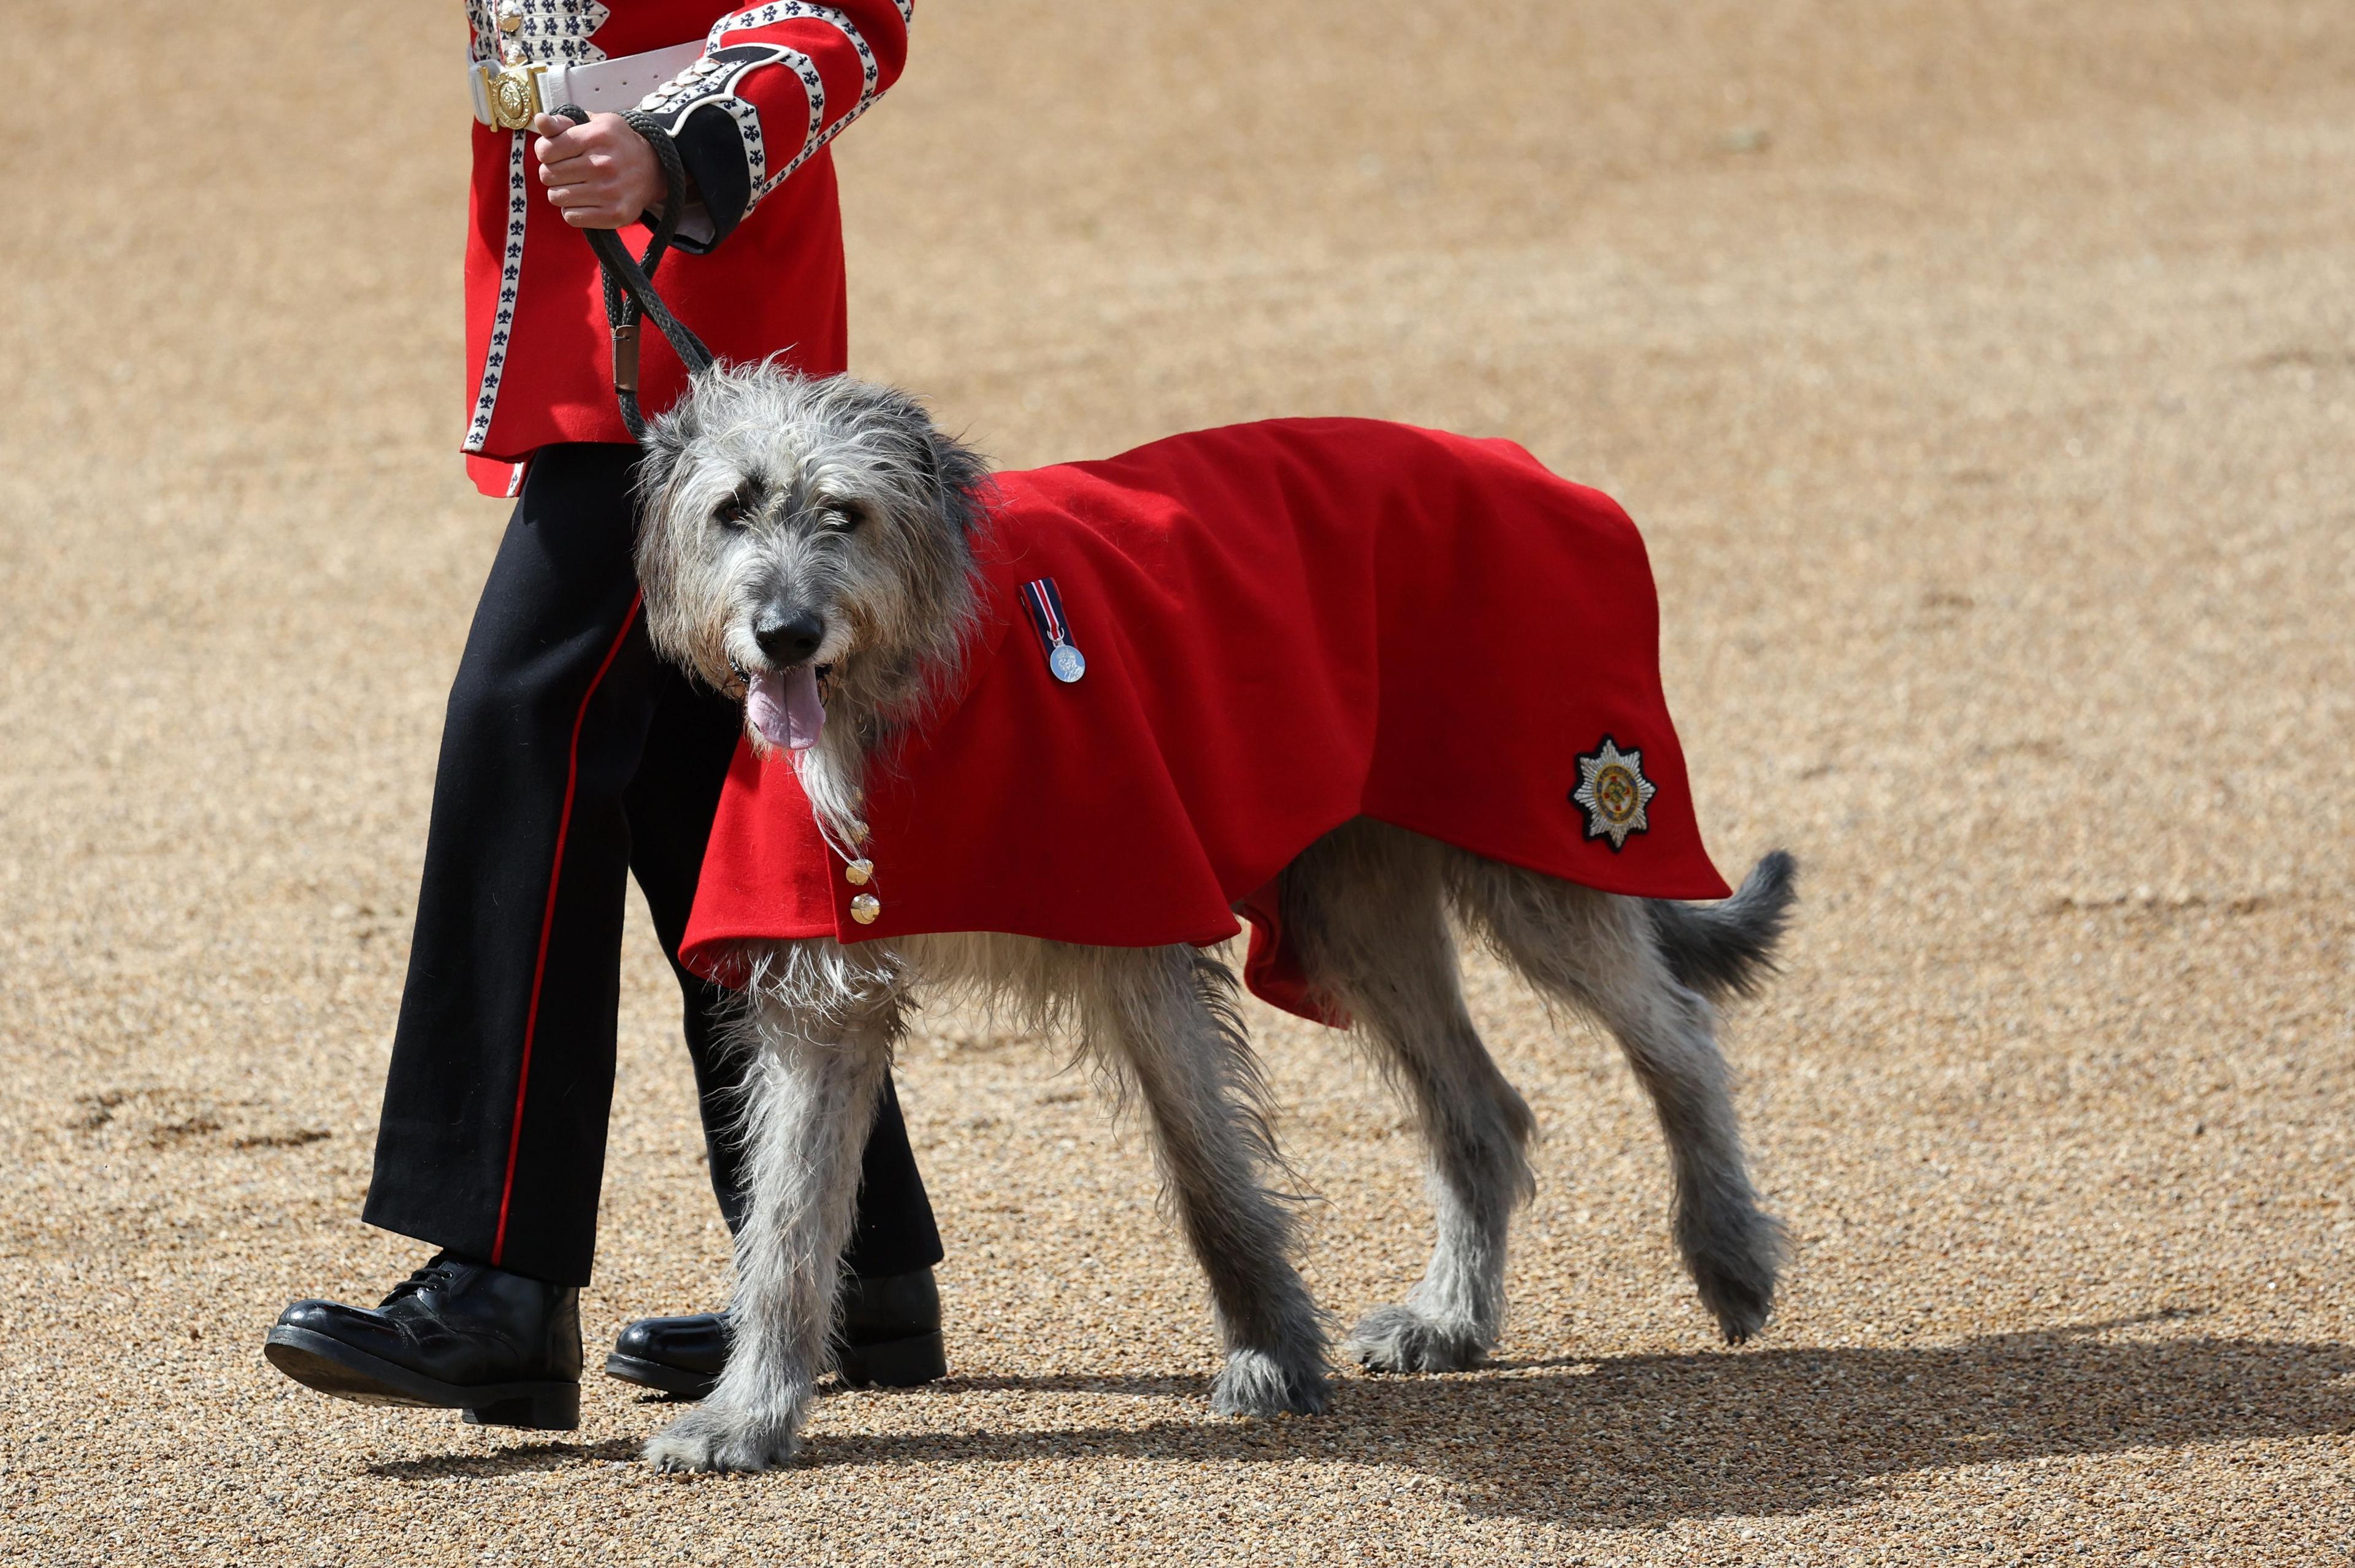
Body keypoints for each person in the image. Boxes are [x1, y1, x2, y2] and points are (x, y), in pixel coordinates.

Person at [262, 0, 944, 1432]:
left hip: (703, 323)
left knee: (525, 729)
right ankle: (857, 1270)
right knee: (696, 794)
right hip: (593, 311)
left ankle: (501, 1281)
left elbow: (849, 19)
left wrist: (677, 145)